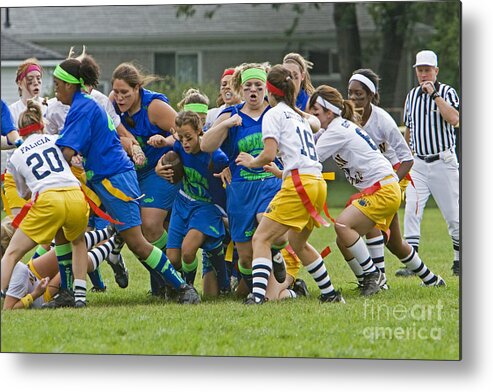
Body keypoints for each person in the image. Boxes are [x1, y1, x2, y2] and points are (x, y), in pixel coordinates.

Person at [52, 57, 199, 304]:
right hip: (101, 179)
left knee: (139, 244)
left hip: (115, 180)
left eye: (57, 84)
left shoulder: (82, 108)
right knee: (65, 231)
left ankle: (183, 288)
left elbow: (65, 152)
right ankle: (69, 292)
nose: (55, 90)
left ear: (71, 85)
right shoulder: (84, 104)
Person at [311, 85, 445, 296]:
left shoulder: (337, 129)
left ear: (329, 112)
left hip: (382, 189)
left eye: (315, 112)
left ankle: (374, 275)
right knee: (350, 241)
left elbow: (310, 159)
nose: (313, 117)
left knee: (344, 225)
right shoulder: (337, 126)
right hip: (381, 188)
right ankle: (419, 279)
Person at [236, 64, 343, 304]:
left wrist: (251, 162)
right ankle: (329, 293)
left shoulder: (273, 114)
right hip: (316, 181)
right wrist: (281, 172)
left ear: (270, 93)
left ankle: (257, 296)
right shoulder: (298, 115)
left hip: (299, 184)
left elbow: (268, 152)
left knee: (261, 238)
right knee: (297, 242)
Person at [200, 63, 288, 295]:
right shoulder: (231, 114)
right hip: (240, 190)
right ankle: (258, 288)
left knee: (274, 231)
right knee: (246, 258)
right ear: (240, 89)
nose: (253, 91)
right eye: (248, 86)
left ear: (266, 88)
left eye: (259, 86)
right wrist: (227, 124)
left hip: (270, 184)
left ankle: (276, 255)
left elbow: (311, 123)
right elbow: (205, 145)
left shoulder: (276, 113)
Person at [0, 100, 90, 307]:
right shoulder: (57, 139)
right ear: (42, 124)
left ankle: (2, 295)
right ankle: (79, 298)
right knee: (77, 242)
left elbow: (24, 193)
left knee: (12, 253)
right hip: (75, 194)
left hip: (49, 199)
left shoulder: (17, 155)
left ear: (19, 132)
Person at [111, 62, 181, 297]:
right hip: (133, 173)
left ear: (138, 88)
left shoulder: (155, 107)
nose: (119, 98)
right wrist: (128, 143)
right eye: (117, 92)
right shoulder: (112, 103)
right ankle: (166, 281)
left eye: (125, 93)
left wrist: (166, 144)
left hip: (161, 170)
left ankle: (173, 277)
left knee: (149, 225)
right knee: (138, 233)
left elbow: (187, 133)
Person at [347, 68, 413, 287]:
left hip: (394, 176)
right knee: (395, 243)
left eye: (359, 94)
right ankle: (432, 279)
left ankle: (378, 281)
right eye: (350, 93)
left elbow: (407, 159)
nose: (354, 98)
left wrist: (390, 183)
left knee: (370, 221)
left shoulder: (382, 120)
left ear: (371, 95)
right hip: (370, 181)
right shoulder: (348, 119)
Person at [155, 111, 230, 297]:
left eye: (189, 137)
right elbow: (170, 147)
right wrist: (159, 168)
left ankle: (187, 289)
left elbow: (230, 172)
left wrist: (229, 171)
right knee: (173, 259)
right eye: (181, 138)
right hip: (182, 203)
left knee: (188, 251)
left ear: (200, 131)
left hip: (206, 207)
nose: (185, 142)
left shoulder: (216, 157)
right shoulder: (180, 146)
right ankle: (179, 285)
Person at [401, 50, 460, 276]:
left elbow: (454, 119)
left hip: (442, 161)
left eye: (427, 70)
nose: (424, 74)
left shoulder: (446, 92)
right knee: (412, 210)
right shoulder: (411, 96)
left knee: (453, 214)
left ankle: (458, 259)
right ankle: (412, 262)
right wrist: (406, 156)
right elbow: (409, 129)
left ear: (436, 71)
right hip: (418, 162)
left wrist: (435, 95)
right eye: (420, 70)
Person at [3, 227, 118, 310]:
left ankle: (109, 232)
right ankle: (116, 241)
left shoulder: (17, 268)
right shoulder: (18, 273)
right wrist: (35, 294)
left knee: (66, 248)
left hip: (30, 273)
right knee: (76, 261)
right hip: (40, 294)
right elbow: (9, 308)